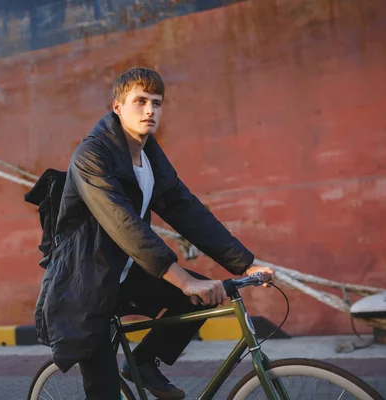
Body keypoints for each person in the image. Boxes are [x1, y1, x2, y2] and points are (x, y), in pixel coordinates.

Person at [33, 67, 274, 399]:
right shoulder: (91, 155)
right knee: (103, 390)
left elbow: (186, 210)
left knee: (195, 300)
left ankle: (143, 363)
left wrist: (245, 264)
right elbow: (124, 225)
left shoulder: (149, 156)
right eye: (140, 101)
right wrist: (183, 277)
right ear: (117, 106)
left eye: (157, 103)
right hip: (86, 282)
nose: (150, 110)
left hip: (126, 272)